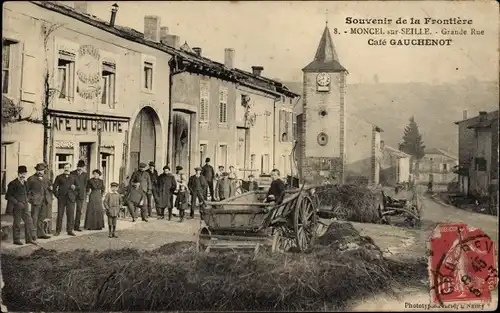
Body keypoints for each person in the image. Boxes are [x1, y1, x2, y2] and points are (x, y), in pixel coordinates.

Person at [6, 166, 38, 245]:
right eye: (21, 174)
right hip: (17, 207)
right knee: (17, 223)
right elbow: (8, 196)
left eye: (24, 173)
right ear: (18, 173)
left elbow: (28, 193)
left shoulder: (26, 183)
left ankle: (29, 239)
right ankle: (16, 239)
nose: (23, 175)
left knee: (29, 221)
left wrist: (28, 199)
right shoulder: (12, 183)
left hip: (25, 205)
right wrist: (17, 202)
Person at [26, 163, 51, 240]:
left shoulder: (46, 178)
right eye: (38, 170)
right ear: (36, 170)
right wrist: (31, 199)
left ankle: (40, 233)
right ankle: (33, 235)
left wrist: (49, 193)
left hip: (45, 201)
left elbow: (49, 186)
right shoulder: (31, 179)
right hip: (36, 202)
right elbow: (26, 191)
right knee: (34, 218)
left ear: (44, 170)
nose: (40, 172)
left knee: (42, 217)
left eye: (42, 170)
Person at [53, 163, 78, 236]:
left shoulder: (73, 177)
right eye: (65, 167)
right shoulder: (59, 177)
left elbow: (78, 187)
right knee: (60, 215)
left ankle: (70, 230)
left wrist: (75, 189)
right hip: (62, 198)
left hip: (71, 199)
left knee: (70, 215)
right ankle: (58, 231)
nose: (66, 169)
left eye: (68, 167)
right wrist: (58, 196)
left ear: (70, 168)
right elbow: (54, 187)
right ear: (63, 168)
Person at [71, 160, 89, 232]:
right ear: (77, 166)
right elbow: (70, 182)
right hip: (73, 194)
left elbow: (86, 185)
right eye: (78, 167)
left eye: (81, 167)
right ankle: (70, 226)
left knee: (79, 210)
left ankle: (76, 226)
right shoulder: (72, 173)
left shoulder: (85, 175)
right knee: (71, 210)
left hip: (81, 195)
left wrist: (87, 193)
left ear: (83, 167)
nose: (79, 168)